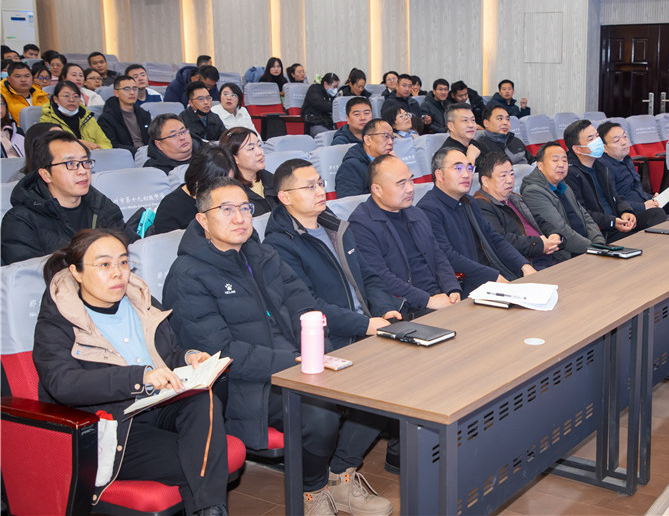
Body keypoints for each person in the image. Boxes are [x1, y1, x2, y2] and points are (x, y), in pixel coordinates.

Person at [163, 177, 394, 516]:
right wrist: (296, 362)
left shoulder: (262, 254)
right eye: (226, 210)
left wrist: (322, 354)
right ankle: (312, 491)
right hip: (247, 382)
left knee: (379, 385)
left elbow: (306, 308)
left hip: (298, 363)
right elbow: (220, 352)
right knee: (319, 414)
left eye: (245, 208)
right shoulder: (188, 274)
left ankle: (340, 474)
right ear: (203, 220)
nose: (240, 218)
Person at [33, 229, 229, 516]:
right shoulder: (58, 321)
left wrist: (189, 357)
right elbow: (63, 383)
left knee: (203, 400)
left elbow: (169, 353)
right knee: (202, 461)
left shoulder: (140, 301)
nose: (118, 273)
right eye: (104, 264)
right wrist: (139, 378)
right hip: (113, 427)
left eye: (123, 262)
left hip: (158, 404)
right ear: (76, 272)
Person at [265, 159, 402, 349]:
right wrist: (365, 325)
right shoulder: (279, 245)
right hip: (337, 341)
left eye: (320, 183)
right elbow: (309, 305)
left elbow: (368, 276)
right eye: (310, 187)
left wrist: (385, 309)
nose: (321, 192)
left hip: (371, 327)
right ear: (285, 197)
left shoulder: (336, 228)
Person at [349, 154, 462, 317]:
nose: (410, 188)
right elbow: (380, 277)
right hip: (408, 308)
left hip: (439, 298)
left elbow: (438, 257)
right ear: (377, 189)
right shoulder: (361, 224)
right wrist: (427, 301)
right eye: (401, 184)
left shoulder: (416, 213)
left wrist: (452, 289)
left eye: (411, 180)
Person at [417, 148, 535, 295]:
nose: (466, 174)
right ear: (439, 175)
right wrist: (493, 277)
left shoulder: (469, 202)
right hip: (460, 288)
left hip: (487, 279)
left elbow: (494, 238)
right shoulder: (427, 209)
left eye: (469, 168)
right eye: (458, 168)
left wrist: (523, 265)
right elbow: (448, 256)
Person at [1, 131, 128, 265]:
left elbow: (129, 253)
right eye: (70, 164)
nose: (82, 171)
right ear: (46, 175)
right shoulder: (21, 221)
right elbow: (29, 274)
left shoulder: (103, 207)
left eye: (85, 162)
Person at [563, 119, 666, 242]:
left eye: (597, 136)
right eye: (591, 139)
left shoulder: (600, 166)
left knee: (656, 214)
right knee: (638, 237)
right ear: (577, 149)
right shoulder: (570, 174)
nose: (597, 141)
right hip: (601, 230)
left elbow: (616, 197)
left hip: (617, 221)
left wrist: (625, 211)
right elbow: (581, 213)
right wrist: (612, 222)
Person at [519, 141, 604, 261]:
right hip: (565, 256)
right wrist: (594, 248)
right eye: (555, 160)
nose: (561, 165)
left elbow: (586, 217)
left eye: (564, 160)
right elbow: (561, 230)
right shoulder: (533, 192)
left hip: (586, 248)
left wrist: (599, 243)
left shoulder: (563, 186)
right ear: (540, 165)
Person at [474, 152, 559, 270]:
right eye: (503, 176)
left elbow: (538, 221)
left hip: (549, 256)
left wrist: (554, 235)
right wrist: (539, 244)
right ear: (485, 181)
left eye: (512, 174)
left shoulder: (515, 198)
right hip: (526, 265)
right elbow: (501, 240)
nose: (510, 180)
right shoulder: (482, 205)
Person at [597, 121, 669, 215]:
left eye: (625, 137)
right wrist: (643, 206)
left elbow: (637, 190)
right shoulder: (604, 168)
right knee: (657, 213)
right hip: (629, 213)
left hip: (644, 203)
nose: (624, 142)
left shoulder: (626, 159)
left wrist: (652, 198)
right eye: (617, 141)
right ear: (604, 148)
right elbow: (613, 202)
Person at [152, 143, 237, 235]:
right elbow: (168, 242)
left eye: (230, 182)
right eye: (220, 184)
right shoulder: (170, 208)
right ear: (200, 178)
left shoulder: (233, 198)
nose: (226, 188)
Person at [219, 126, 278, 215]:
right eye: (251, 149)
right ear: (234, 158)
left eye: (259, 145)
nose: (260, 152)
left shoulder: (276, 180)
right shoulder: (229, 192)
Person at [40, 81, 112, 150]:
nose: (71, 99)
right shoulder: (47, 119)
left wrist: (95, 147)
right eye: (66, 96)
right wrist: (79, 144)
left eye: (75, 96)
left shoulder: (88, 117)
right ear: (56, 99)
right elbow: (49, 147)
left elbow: (107, 144)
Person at [335, 118, 394, 198]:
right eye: (386, 136)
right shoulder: (351, 167)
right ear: (368, 140)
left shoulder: (389, 162)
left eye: (392, 137)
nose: (391, 142)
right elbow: (350, 203)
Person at [97, 75, 151, 155]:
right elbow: (112, 145)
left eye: (135, 89)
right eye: (126, 89)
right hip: (126, 156)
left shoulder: (144, 114)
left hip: (147, 154)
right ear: (116, 93)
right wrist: (139, 151)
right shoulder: (106, 119)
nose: (132, 92)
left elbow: (152, 138)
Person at [468, 104, 534, 165]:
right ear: (486, 123)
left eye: (508, 119)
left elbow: (533, 162)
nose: (505, 122)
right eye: (500, 119)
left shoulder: (516, 141)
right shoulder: (479, 147)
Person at [301, 72, 338, 137]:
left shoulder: (330, 95)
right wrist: (336, 106)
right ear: (325, 84)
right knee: (328, 136)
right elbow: (324, 106)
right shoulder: (314, 90)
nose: (335, 89)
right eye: (334, 87)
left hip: (327, 123)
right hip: (314, 123)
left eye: (337, 87)